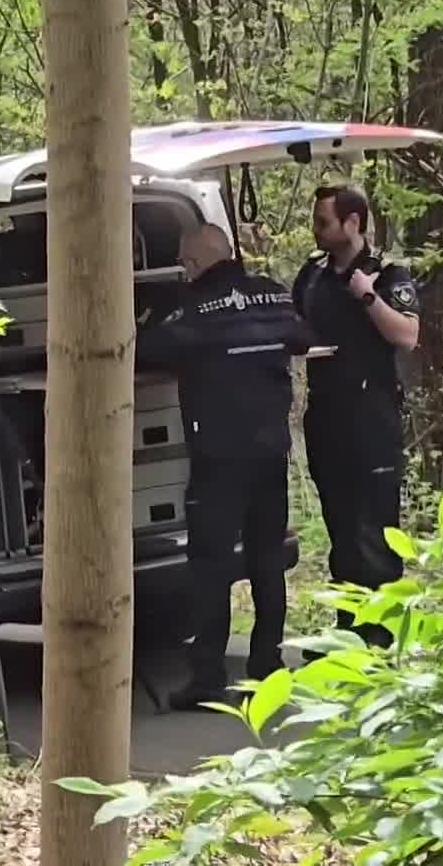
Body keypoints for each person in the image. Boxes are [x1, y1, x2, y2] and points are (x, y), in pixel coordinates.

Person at [137, 224, 312, 710]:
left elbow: (145, 350)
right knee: (267, 560)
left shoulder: (188, 309)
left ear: (192, 264)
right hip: (270, 452)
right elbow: (302, 336)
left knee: (210, 568)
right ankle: (266, 665)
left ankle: (208, 677)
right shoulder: (272, 296)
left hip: (218, 458)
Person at [290, 185, 418, 649]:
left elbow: (407, 335)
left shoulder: (387, 274)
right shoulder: (312, 274)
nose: (316, 230)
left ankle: (382, 641)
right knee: (342, 534)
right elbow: (295, 323)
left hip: (373, 420)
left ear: (353, 222)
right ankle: (349, 638)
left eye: (324, 221)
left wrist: (367, 297)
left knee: (377, 536)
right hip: (326, 418)